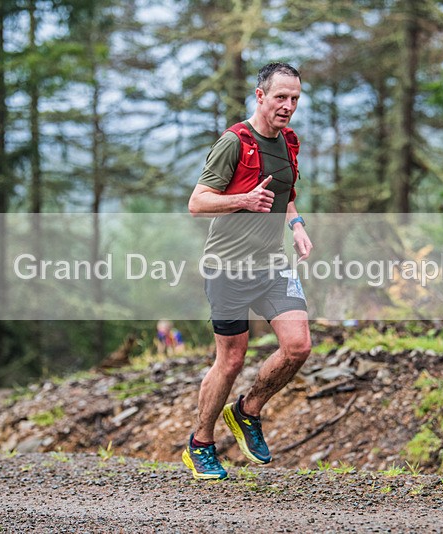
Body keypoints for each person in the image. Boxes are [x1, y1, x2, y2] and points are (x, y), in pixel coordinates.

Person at [183, 62, 313, 480]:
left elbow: (285, 196)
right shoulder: (235, 142)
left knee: (298, 346)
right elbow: (198, 202)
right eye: (280, 97)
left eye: (294, 98)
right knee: (231, 360)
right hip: (227, 268)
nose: (288, 106)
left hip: (272, 263)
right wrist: (241, 200)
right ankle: (200, 443)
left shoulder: (289, 142)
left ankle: (246, 411)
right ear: (260, 96)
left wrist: (296, 227)